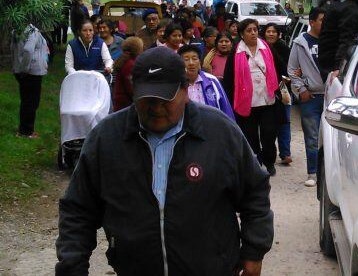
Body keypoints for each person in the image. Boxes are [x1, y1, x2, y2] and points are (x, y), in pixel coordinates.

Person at [56, 47, 274, 275]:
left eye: (165, 99)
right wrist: (72, 266)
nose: (156, 108)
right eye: (147, 99)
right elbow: (78, 209)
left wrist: (253, 251)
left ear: (185, 90)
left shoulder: (220, 133)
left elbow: (255, 193)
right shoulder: (106, 139)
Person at [222, 19, 280, 176]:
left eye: (255, 29)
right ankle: (256, 162)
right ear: (241, 34)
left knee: (269, 135)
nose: (253, 33)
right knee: (251, 137)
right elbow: (229, 79)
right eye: (249, 30)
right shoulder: (236, 52)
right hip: (247, 103)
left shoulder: (266, 47)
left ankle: (269, 161)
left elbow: (279, 66)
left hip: (268, 101)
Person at [288, 7, 325, 186]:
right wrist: (301, 89)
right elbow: (291, 70)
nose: (324, 24)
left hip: (331, 96)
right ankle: (313, 173)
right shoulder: (300, 43)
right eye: (321, 20)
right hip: (311, 98)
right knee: (312, 137)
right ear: (312, 22)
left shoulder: (331, 41)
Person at [11, 24, 49, 138]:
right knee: (31, 102)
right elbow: (28, 50)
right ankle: (26, 131)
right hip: (31, 72)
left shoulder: (16, 29)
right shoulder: (32, 30)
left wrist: (17, 65)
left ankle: (23, 129)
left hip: (20, 70)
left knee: (26, 100)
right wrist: (25, 69)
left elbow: (12, 48)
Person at [179, 44, 235, 121]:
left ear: (199, 62)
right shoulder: (176, 83)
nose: (191, 63)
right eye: (186, 59)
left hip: (210, 126)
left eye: (195, 58)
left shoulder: (212, 81)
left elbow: (225, 107)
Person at [264, 23, 292, 165]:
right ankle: (267, 152)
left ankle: (285, 152)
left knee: (285, 121)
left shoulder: (284, 49)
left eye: (274, 31)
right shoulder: (260, 49)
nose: (271, 34)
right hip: (264, 90)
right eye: (268, 31)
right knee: (267, 123)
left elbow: (291, 68)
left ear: (278, 34)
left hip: (283, 89)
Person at [112, 36, 144, 111]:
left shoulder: (127, 61)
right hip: (125, 105)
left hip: (122, 103)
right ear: (137, 49)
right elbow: (131, 87)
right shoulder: (130, 65)